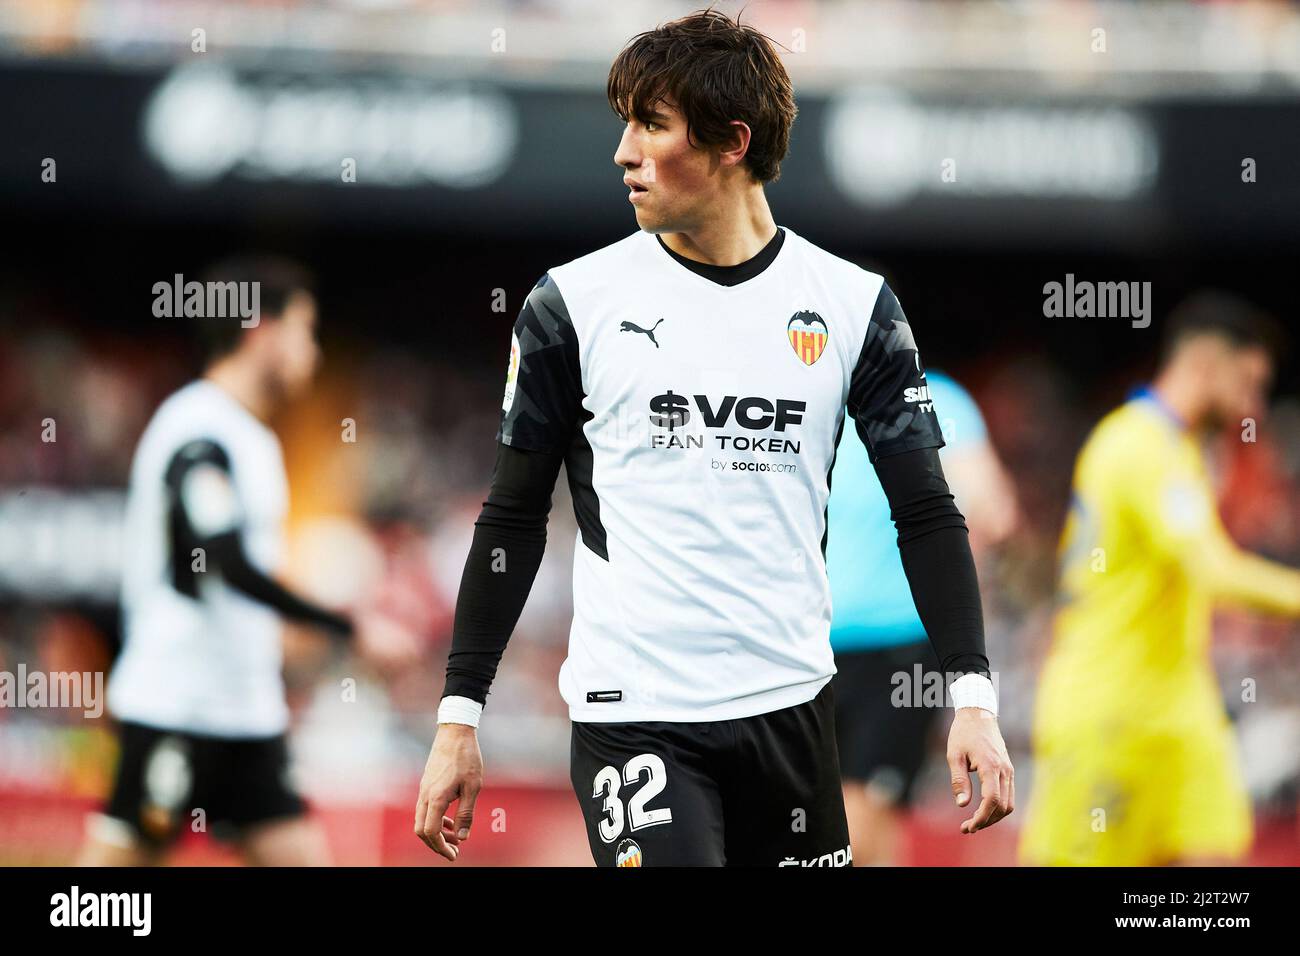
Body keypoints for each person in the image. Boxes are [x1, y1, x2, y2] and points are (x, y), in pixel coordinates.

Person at [415, 9, 1013, 867]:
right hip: (636, 715)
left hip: (793, 712)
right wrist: (458, 718)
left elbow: (925, 513)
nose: (623, 152)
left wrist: (973, 697)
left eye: (651, 125)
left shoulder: (854, 308)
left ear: (732, 142)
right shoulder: (570, 306)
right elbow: (509, 518)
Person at [80, 256, 415, 866]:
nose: (310, 352)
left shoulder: (249, 437)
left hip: (243, 712)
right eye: (304, 331)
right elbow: (224, 562)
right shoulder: (198, 429)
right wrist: (349, 627)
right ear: (263, 330)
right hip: (176, 707)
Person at [1020, 291, 1300, 866]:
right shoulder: (1136, 447)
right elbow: (1215, 568)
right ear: (1206, 365)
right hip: (1108, 716)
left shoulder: (1180, 451)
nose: (1255, 408)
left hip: (1180, 713)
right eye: (1249, 384)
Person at [828, 371, 1017, 865]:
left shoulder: (806, 391)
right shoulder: (933, 396)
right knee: (875, 816)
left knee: (850, 817)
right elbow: (994, 514)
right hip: (898, 642)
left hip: (822, 639)